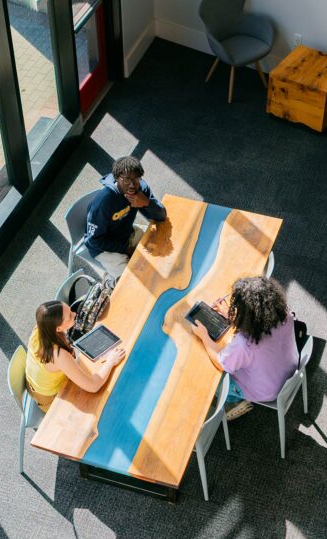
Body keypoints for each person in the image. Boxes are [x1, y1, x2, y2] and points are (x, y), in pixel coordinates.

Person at [190, 276, 299, 419]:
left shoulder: (245, 344)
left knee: (208, 378)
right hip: (290, 369)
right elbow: (260, 325)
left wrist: (203, 335)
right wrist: (236, 318)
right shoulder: (284, 314)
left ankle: (233, 402)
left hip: (266, 391)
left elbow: (220, 362)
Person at [25, 300, 126, 411]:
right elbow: (93, 386)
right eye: (69, 316)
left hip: (35, 382)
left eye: (70, 310)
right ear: (58, 328)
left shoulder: (41, 328)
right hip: (49, 397)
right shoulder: (59, 355)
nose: (74, 314)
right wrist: (110, 361)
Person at [85, 156, 167, 278]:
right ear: (117, 178)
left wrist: (147, 203)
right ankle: (109, 283)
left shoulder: (140, 188)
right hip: (104, 248)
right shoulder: (104, 202)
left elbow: (161, 216)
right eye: (126, 179)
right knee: (130, 279)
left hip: (126, 233)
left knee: (161, 249)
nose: (132, 185)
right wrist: (126, 249)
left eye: (136, 179)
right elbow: (94, 241)